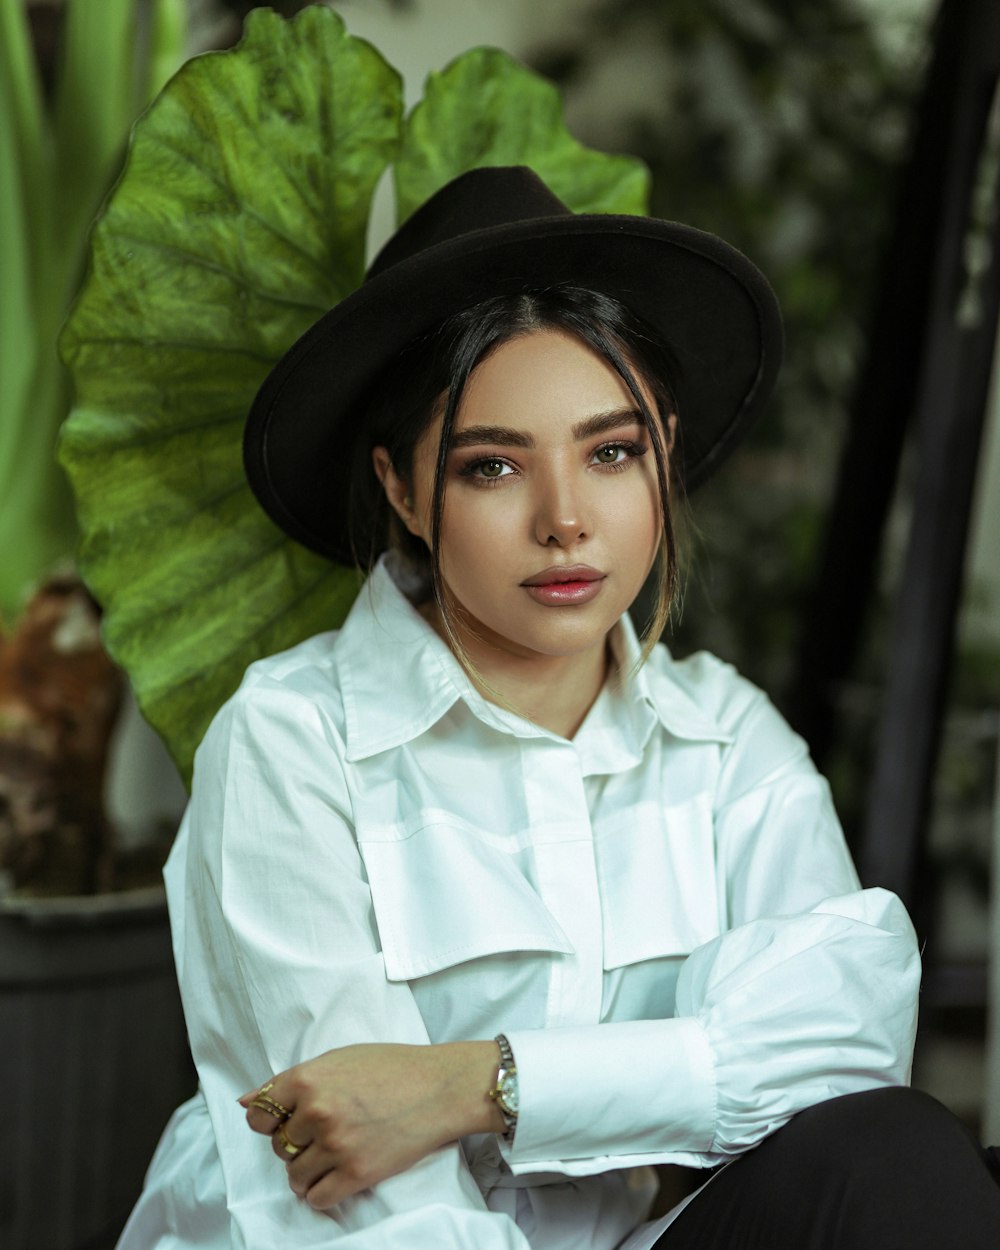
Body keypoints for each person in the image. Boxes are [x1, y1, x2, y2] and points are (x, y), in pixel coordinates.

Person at [117, 166, 1000, 1250]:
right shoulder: (293, 740)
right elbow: (363, 1186)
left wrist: (483, 1084)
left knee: (898, 1160)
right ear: (401, 488)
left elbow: (846, 1043)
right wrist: (667, 1080)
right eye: (493, 467)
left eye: (611, 451)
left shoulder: (724, 741)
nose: (566, 520)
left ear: (661, 450)